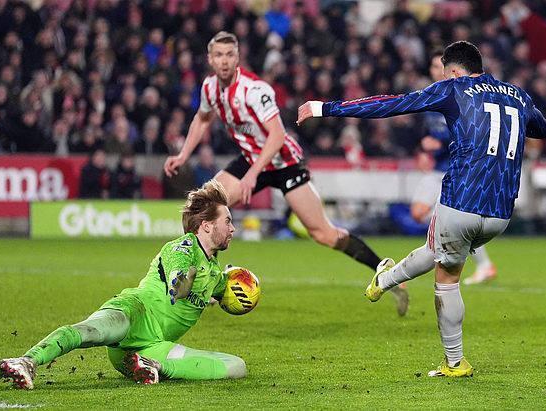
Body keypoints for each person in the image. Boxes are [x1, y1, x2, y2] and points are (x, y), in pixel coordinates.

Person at [298, 41, 546, 377]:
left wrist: (326, 108)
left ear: (454, 71)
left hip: (462, 201)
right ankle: (385, 279)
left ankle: (455, 363)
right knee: (437, 251)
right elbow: (543, 129)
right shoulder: (517, 94)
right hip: (501, 213)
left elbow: (392, 104)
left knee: (446, 278)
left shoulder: (453, 89)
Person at [163, 31, 408, 316]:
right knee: (203, 208)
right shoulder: (209, 88)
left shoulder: (255, 90)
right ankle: (197, 279)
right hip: (252, 157)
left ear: (238, 57)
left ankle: (385, 271)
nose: (224, 61)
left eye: (230, 54)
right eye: (219, 55)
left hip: (284, 162)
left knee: (323, 233)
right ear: (210, 59)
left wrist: (252, 175)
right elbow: (202, 118)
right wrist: (183, 154)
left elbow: (277, 135)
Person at [0, 180, 247, 389]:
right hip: (134, 313)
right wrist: (185, 283)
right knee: (89, 331)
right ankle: (27, 361)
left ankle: (155, 366)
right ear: (206, 225)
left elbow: (226, 289)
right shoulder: (182, 248)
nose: (233, 228)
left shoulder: (213, 271)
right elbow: (178, 286)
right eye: (227, 221)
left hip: (149, 348)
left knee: (237, 366)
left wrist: (238, 287)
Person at [411, 51, 497, 285]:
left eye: (441, 66)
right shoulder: (430, 97)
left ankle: (482, 264)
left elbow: (471, 131)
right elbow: (425, 134)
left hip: (458, 170)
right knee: (418, 212)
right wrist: (422, 151)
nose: (437, 71)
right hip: (438, 168)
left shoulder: (464, 95)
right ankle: (457, 241)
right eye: (433, 66)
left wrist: (440, 143)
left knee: (450, 221)